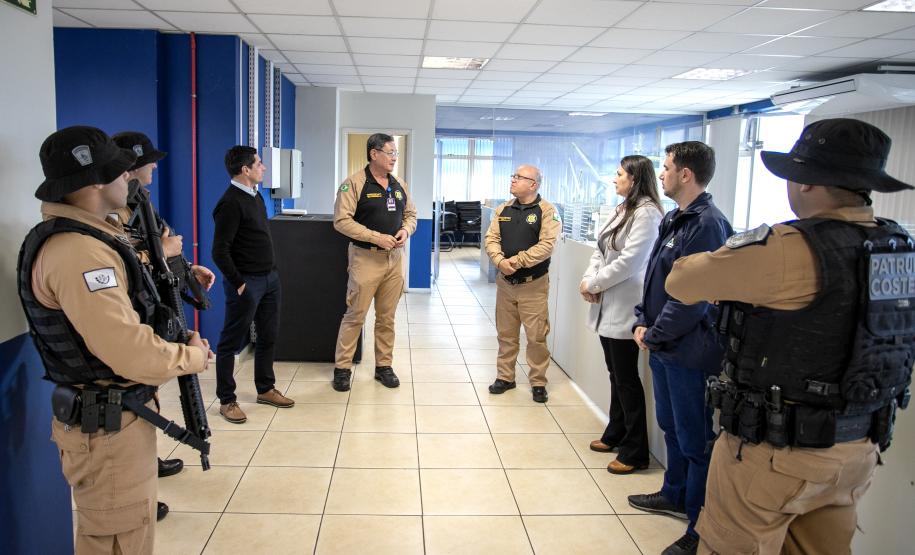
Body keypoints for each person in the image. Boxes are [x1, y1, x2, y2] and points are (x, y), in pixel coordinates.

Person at [666, 118, 915, 555]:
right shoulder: (897, 248)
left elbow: (682, 282)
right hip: (858, 447)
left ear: (808, 182)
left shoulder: (788, 247)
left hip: (777, 453)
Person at [18, 126, 210, 554]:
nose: (130, 178)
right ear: (95, 182)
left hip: (114, 418)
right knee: (118, 540)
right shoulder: (79, 252)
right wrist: (191, 357)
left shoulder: (95, 239)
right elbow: (129, 352)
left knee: (128, 532)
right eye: (120, 172)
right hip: (105, 431)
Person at [628, 141, 733, 555]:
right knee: (672, 428)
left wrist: (652, 334)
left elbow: (694, 297)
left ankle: (699, 522)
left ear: (686, 174)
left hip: (690, 352)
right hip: (664, 346)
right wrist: (641, 317)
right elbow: (656, 278)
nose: (664, 173)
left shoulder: (708, 223)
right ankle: (673, 492)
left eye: (668, 167)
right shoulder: (676, 217)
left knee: (695, 438)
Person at [112, 131, 215, 521]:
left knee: (147, 392)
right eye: (148, 161)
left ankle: (145, 460)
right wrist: (161, 252)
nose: (155, 166)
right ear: (129, 167)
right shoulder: (112, 212)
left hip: (154, 305)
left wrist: (188, 268)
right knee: (134, 394)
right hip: (130, 313)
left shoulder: (142, 204)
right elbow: (121, 257)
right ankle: (133, 487)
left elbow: (165, 245)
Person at [580, 155, 663, 474]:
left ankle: (635, 451)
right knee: (616, 375)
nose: (614, 179)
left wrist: (597, 283)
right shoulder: (622, 209)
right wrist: (588, 279)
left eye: (619, 174)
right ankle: (615, 433)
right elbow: (599, 249)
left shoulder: (647, 214)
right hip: (607, 301)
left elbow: (631, 261)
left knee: (627, 379)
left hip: (626, 304)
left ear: (635, 178)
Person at [212, 145, 294, 424]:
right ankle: (226, 400)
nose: (264, 167)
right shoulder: (230, 202)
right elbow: (219, 251)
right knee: (230, 342)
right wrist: (239, 283)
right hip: (247, 283)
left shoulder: (255, 197)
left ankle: (265, 388)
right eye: (259, 163)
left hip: (269, 279)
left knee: (268, 336)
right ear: (245, 170)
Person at [331, 133, 417, 392]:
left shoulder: (398, 183)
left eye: (395, 153)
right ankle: (342, 368)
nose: (394, 158)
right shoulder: (353, 184)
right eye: (390, 152)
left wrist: (406, 230)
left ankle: (384, 366)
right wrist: (376, 237)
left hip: (394, 260)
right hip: (365, 258)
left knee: (387, 318)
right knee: (355, 315)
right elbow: (341, 221)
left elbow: (411, 214)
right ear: (374, 154)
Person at [484, 165, 561, 403]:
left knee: (536, 336)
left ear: (533, 184)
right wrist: (499, 261)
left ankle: (538, 381)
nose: (513, 180)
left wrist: (516, 262)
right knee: (506, 334)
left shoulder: (546, 211)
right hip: (506, 284)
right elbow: (491, 238)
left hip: (533, 284)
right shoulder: (503, 209)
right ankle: (505, 377)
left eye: (519, 177)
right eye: (513, 176)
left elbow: (547, 245)